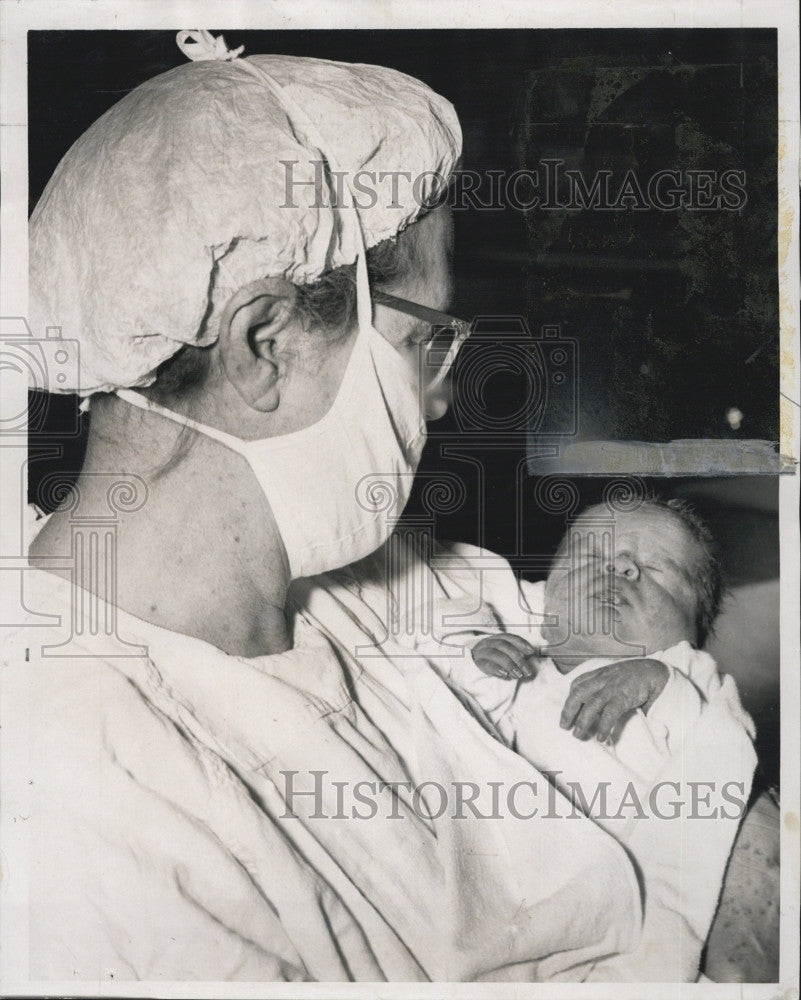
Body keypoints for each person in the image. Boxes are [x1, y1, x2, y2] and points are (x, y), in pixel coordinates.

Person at [15, 32, 648, 983]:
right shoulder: (80, 802)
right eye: (428, 340)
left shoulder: (359, 583)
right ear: (266, 345)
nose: (440, 398)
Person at [453, 499, 758, 980]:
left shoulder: (685, 674)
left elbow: (722, 748)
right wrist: (479, 662)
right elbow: (456, 731)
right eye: (590, 557)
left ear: (695, 628)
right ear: (547, 597)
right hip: (509, 878)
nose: (620, 567)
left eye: (656, 568)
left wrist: (660, 683)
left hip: (616, 893)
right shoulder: (523, 664)